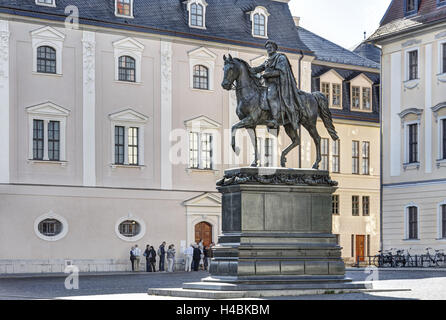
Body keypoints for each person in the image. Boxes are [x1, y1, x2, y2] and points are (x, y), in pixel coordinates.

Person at [250, 40, 305, 131]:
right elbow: (260, 68)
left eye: (270, 47)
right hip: (267, 84)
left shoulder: (280, 58)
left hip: (278, 84)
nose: (269, 49)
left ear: (275, 48)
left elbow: (281, 72)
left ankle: (275, 119)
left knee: (271, 96)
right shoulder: (267, 60)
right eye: (267, 48)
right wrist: (249, 69)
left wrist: (266, 75)